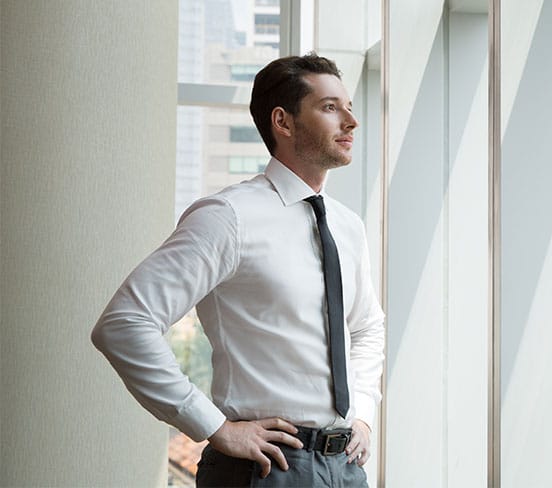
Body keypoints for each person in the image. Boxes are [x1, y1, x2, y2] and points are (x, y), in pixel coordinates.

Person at [92, 53, 385, 487]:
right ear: (282, 122)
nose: (351, 122)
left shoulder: (347, 225)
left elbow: (366, 328)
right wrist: (213, 426)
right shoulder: (229, 216)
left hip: (345, 467)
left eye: (349, 107)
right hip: (266, 469)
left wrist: (362, 414)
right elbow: (124, 323)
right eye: (329, 107)